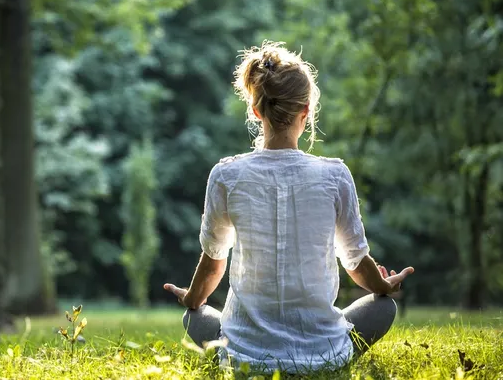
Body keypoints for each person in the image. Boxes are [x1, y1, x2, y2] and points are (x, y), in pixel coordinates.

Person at [162, 41, 414, 374]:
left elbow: (213, 263)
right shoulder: (334, 175)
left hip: (245, 359)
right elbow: (355, 262)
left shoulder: (226, 175)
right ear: (306, 111)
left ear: (255, 110)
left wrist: (192, 299)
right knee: (383, 309)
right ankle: (324, 359)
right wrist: (384, 286)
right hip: (323, 353)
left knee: (193, 316)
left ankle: (242, 352)